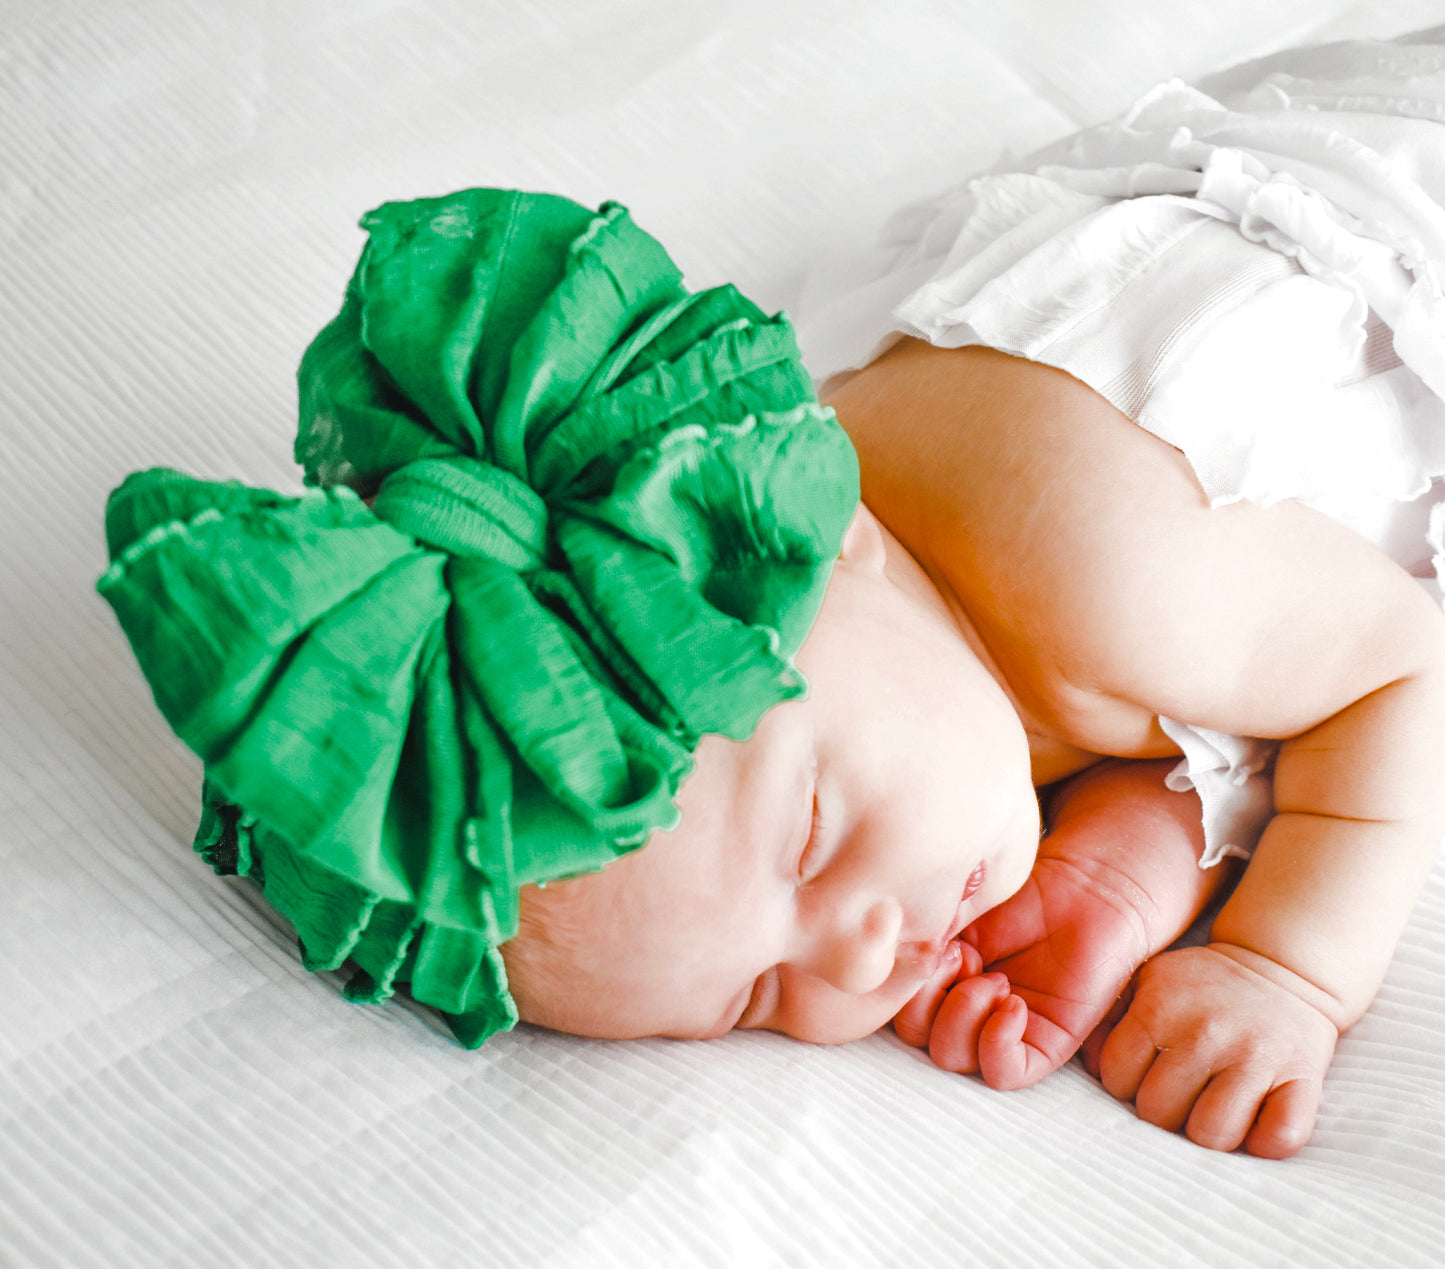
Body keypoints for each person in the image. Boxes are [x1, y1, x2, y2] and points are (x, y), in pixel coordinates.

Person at [99, 30, 1445, 1163]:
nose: (858, 960)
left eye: (807, 837)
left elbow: (1392, 667)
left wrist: (1283, 965)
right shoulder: (903, 658)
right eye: (754, 994)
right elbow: (1168, 712)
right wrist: (1119, 870)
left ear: (829, 540)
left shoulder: (1112, 566)